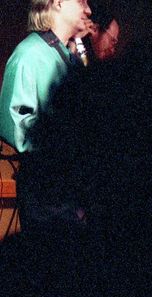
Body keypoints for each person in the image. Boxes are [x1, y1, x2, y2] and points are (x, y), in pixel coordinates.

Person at [0, 0, 92, 233]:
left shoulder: (68, 55)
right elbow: (15, 128)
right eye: (82, 1)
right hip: (49, 193)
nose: (88, 10)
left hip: (70, 190)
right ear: (58, 3)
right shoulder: (29, 54)